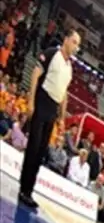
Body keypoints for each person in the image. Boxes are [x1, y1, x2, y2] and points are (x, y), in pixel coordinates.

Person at [19, 29, 81, 211]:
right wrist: (31, 101)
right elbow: (35, 74)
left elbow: (64, 94)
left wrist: (62, 117)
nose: (76, 47)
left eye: (78, 44)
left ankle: (29, 190)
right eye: (75, 42)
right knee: (33, 147)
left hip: (53, 109)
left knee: (41, 151)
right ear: (67, 39)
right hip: (41, 101)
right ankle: (24, 188)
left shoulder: (69, 67)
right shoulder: (52, 53)